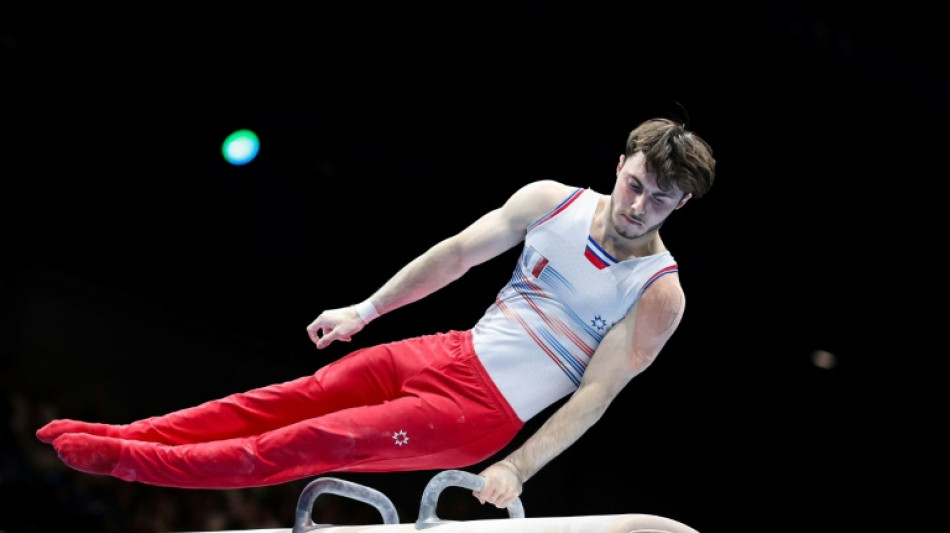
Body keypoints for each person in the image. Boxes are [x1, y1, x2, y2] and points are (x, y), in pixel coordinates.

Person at [36, 117, 716, 509]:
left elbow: (594, 396)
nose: (637, 206)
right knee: (283, 400)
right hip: (445, 351)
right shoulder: (551, 200)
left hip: (477, 415)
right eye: (635, 184)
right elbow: (456, 255)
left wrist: (517, 467)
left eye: (659, 199)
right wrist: (367, 308)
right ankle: (124, 433)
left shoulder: (657, 292)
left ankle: (129, 462)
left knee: (305, 441)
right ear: (620, 162)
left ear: (681, 204)